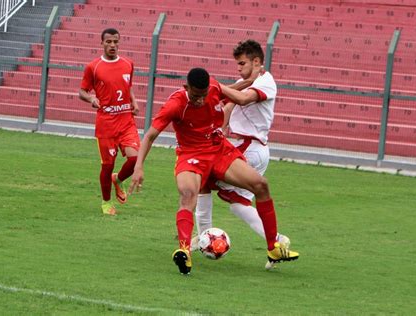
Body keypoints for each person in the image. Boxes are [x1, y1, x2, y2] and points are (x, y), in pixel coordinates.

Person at [129, 67, 299, 275]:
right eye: (195, 96)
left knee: (261, 185)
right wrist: (138, 166)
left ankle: (273, 248)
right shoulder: (175, 104)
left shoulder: (214, 87)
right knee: (188, 194)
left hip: (219, 149)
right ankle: (184, 251)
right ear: (186, 87)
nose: (200, 100)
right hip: (191, 154)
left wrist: (250, 81)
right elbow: (149, 136)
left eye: (203, 95)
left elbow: (229, 91)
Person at [193, 39, 290, 270]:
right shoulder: (243, 82)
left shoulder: (266, 82)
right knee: (237, 204)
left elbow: (243, 99)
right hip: (246, 146)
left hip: (249, 147)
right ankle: (277, 240)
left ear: (257, 62)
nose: (238, 68)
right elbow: (227, 106)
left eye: (242, 63)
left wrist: (213, 85)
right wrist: (217, 126)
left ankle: (203, 236)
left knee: (202, 175)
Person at [79, 28, 140, 216]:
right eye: (108, 42)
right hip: (106, 125)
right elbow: (82, 91)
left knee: (135, 158)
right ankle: (106, 203)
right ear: (102, 43)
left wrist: (134, 102)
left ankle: (118, 179)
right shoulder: (93, 67)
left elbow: (127, 87)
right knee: (107, 166)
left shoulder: (128, 64)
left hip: (126, 121)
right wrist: (91, 99)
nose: (112, 45)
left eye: (115, 42)